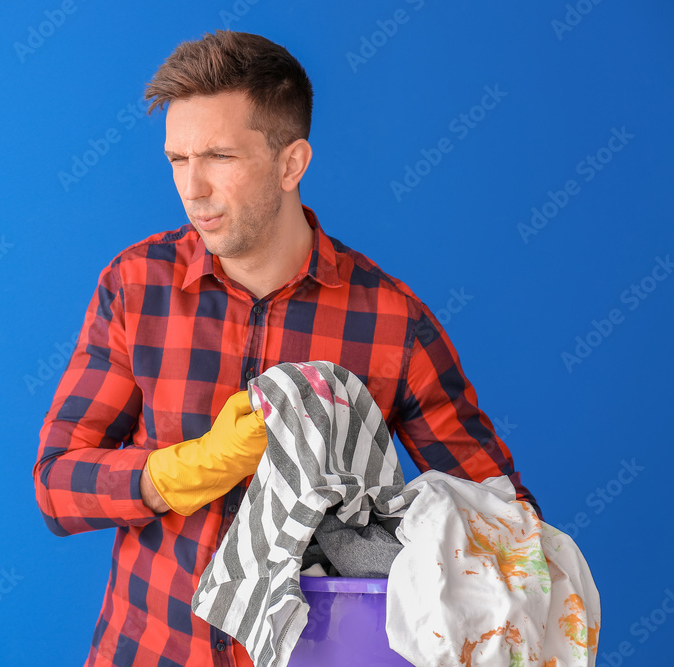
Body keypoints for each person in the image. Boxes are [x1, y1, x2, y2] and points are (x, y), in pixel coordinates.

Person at [33, 30, 539, 667]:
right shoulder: (136, 286)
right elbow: (56, 484)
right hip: (145, 652)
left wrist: (424, 578)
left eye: (218, 156)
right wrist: (187, 468)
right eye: (176, 159)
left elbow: (505, 521)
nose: (192, 187)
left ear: (291, 162)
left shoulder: (390, 321)